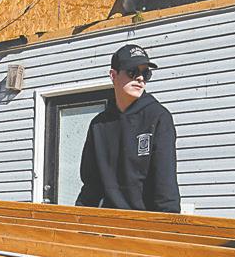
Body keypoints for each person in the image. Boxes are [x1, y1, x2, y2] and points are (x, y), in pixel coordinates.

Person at [76, 43, 180, 213]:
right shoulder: (99, 125)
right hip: (108, 221)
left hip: (145, 222)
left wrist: (168, 224)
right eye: (132, 72)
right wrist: (78, 219)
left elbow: (165, 186)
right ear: (113, 75)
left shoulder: (158, 117)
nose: (140, 78)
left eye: (145, 73)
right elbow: (91, 186)